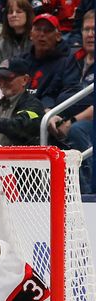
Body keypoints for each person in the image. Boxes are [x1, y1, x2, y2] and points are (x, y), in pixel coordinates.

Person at [50, 9, 94, 192]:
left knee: (76, 131)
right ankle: (54, 188)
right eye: (86, 30)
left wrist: (72, 121)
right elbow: (53, 89)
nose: (90, 34)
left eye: (94, 29)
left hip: (87, 120)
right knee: (40, 124)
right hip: (67, 117)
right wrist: (50, 112)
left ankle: (86, 191)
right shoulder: (73, 59)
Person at [21, 14, 80, 111]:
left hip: (45, 114)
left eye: (48, 30)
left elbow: (68, 94)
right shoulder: (22, 59)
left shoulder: (67, 63)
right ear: (31, 35)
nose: (42, 34)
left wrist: (48, 109)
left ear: (58, 36)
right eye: (38, 29)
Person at [0, 0, 34, 68]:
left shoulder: (35, 40)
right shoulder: (2, 43)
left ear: (28, 15)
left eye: (19, 12)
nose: (14, 15)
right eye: (10, 12)